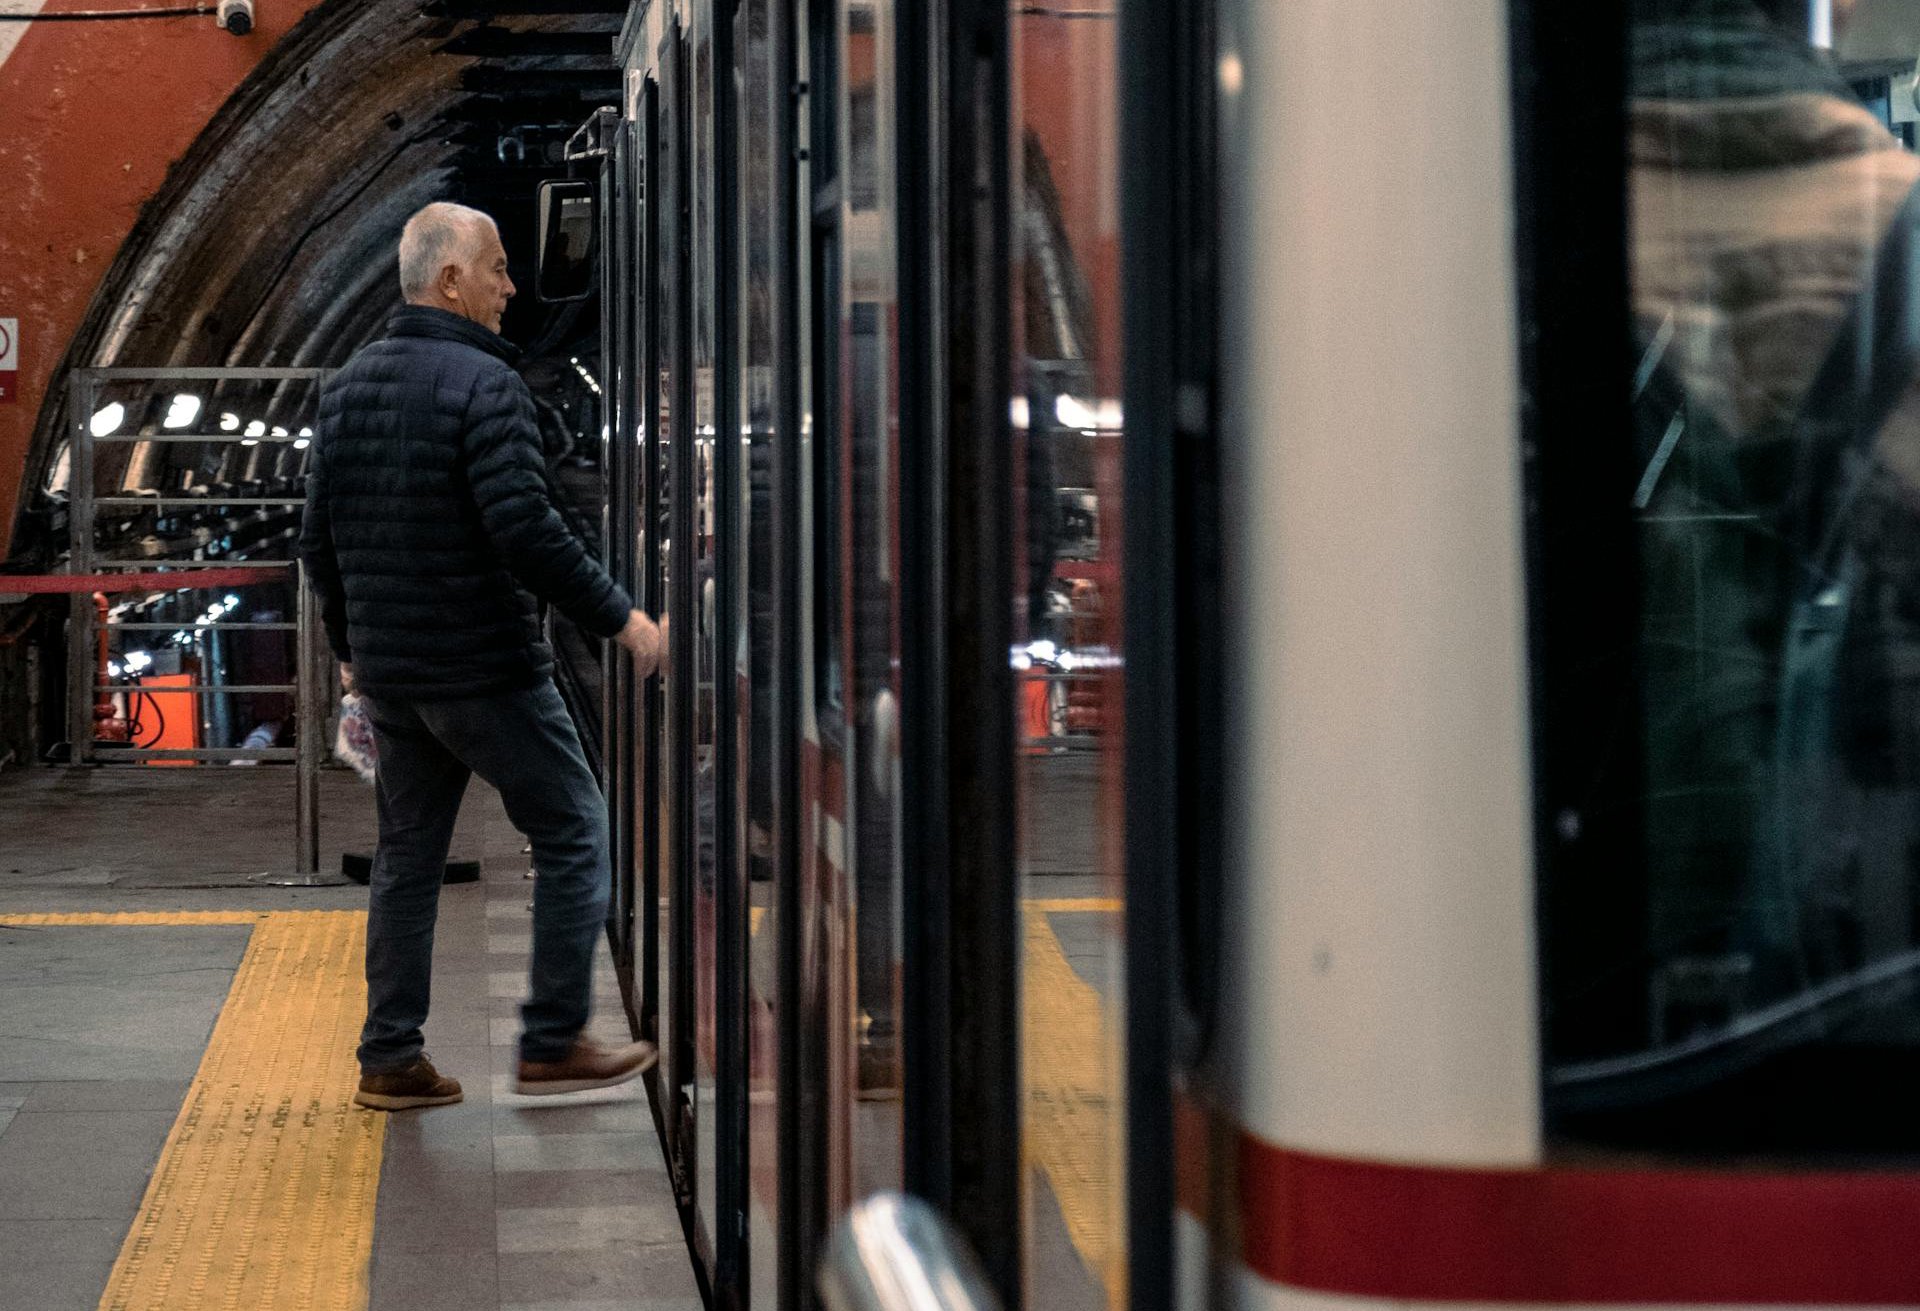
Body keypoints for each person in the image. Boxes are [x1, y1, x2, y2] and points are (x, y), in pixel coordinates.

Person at [300, 200, 662, 1110]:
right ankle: (551, 1038)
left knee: (407, 857)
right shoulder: (485, 386)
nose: (510, 287)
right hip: (482, 667)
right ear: (451, 279)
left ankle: (390, 1055)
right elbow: (525, 529)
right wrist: (622, 618)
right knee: (577, 825)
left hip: (393, 675)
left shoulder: (343, 387)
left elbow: (318, 541)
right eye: (497, 268)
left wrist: (353, 648)